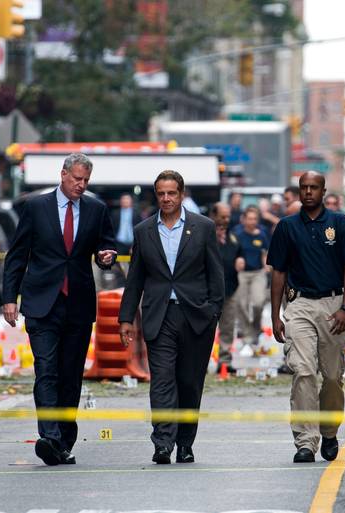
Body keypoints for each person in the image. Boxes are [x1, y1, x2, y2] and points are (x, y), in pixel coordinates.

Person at [2, 153, 117, 466]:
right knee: (46, 369)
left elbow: (105, 246)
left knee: (70, 376)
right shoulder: (36, 207)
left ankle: (64, 440)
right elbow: (17, 255)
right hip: (42, 302)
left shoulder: (96, 208)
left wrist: (106, 256)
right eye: (77, 178)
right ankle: (50, 437)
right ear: (63, 174)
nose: (81, 185)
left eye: (86, 180)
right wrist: (10, 297)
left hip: (78, 304)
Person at [118, 170, 224, 464]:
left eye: (172, 193)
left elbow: (216, 274)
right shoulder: (144, 231)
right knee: (162, 381)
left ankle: (185, 443)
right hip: (159, 315)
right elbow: (136, 277)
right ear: (157, 195)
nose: (166, 198)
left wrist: (214, 311)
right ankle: (163, 442)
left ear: (181, 194)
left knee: (189, 382)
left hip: (196, 317)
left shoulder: (202, 227)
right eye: (161, 193)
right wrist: (126, 318)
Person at [268, 171, 345, 463]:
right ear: (298, 191)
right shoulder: (286, 227)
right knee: (303, 371)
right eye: (303, 188)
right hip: (299, 305)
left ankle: (329, 431)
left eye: (314, 188)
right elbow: (278, 273)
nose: (308, 192)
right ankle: (306, 441)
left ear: (323, 191)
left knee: (332, 377)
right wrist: (275, 316)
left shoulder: (340, 223)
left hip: (333, 304)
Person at [210, 202, 245, 371]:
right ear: (213, 215)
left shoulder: (233, 235)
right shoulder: (204, 234)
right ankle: (199, 362)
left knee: (228, 327)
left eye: (228, 216)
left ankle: (224, 362)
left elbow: (240, 252)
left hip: (230, 288)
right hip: (207, 291)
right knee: (205, 328)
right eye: (222, 216)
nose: (226, 220)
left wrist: (241, 259)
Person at [233, 206, 269, 349]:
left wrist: (266, 265)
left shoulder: (261, 235)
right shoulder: (237, 234)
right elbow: (231, 252)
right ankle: (248, 334)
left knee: (258, 302)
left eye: (255, 219)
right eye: (250, 218)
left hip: (257, 273)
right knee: (241, 304)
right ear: (244, 219)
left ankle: (256, 328)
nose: (252, 221)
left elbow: (264, 253)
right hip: (241, 273)